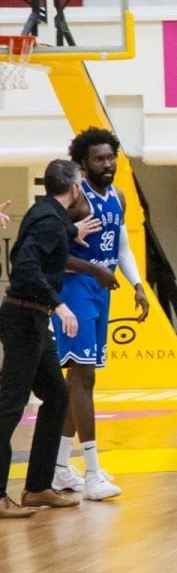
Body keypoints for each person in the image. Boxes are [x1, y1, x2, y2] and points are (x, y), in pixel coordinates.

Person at [47, 129, 148, 501]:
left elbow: (121, 246)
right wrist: (94, 270)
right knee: (82, 379)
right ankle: (92, 473)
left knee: (81, 381)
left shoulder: (118, 196)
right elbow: (50, 253)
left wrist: (137, 285)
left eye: (110, 157)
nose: (107, 164)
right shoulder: (75, 200)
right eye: (99, 159)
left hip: (101, 290)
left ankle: (59, 468)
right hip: (74, 291)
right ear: (83, 164)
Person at [0, 160, 89, 517]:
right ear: (75, 187)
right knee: (10, 405)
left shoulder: (46, 214)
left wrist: (73, 231)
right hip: (25, 317)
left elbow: (25, 250)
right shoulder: (50, 221)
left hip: (33, 318)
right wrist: (60, 304)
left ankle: (37, 488)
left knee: (56, 396)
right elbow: (23, 267)